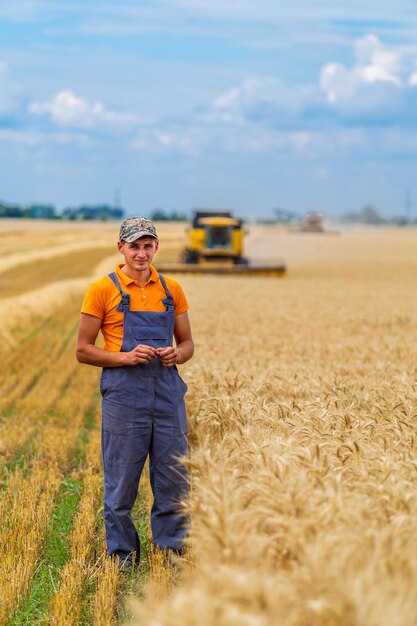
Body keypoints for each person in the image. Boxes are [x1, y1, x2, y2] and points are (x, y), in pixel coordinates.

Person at [76, 216, 194, 570]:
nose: (141, 254)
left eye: (147, 246)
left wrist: (178, 354)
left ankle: (171, 551)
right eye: (134, 246)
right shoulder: (102, 289)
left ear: (156, 248)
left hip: (167, 394)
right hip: (124, 396)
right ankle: (121, 556)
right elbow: (83, 349)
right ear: (121, 248)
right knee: (121, 481)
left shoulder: (172, 289)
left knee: (173, 477)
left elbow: (187, 343)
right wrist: (125, 357)